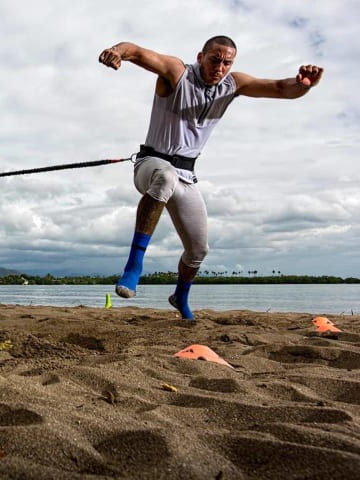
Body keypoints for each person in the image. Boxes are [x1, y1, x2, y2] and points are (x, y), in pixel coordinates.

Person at [98, 35, 323, 320]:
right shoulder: (177, 72)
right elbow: (137, 51)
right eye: (215, 59)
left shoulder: (233, 84)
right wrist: (116, 52)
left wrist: (303, 85)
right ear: (201, 56)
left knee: (198, 250)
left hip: (187, 176)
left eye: (227, 62)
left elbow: (281, 88)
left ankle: (180, 296)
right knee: (165, 176)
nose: (220, 67)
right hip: (151, 164)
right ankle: (133, 267)